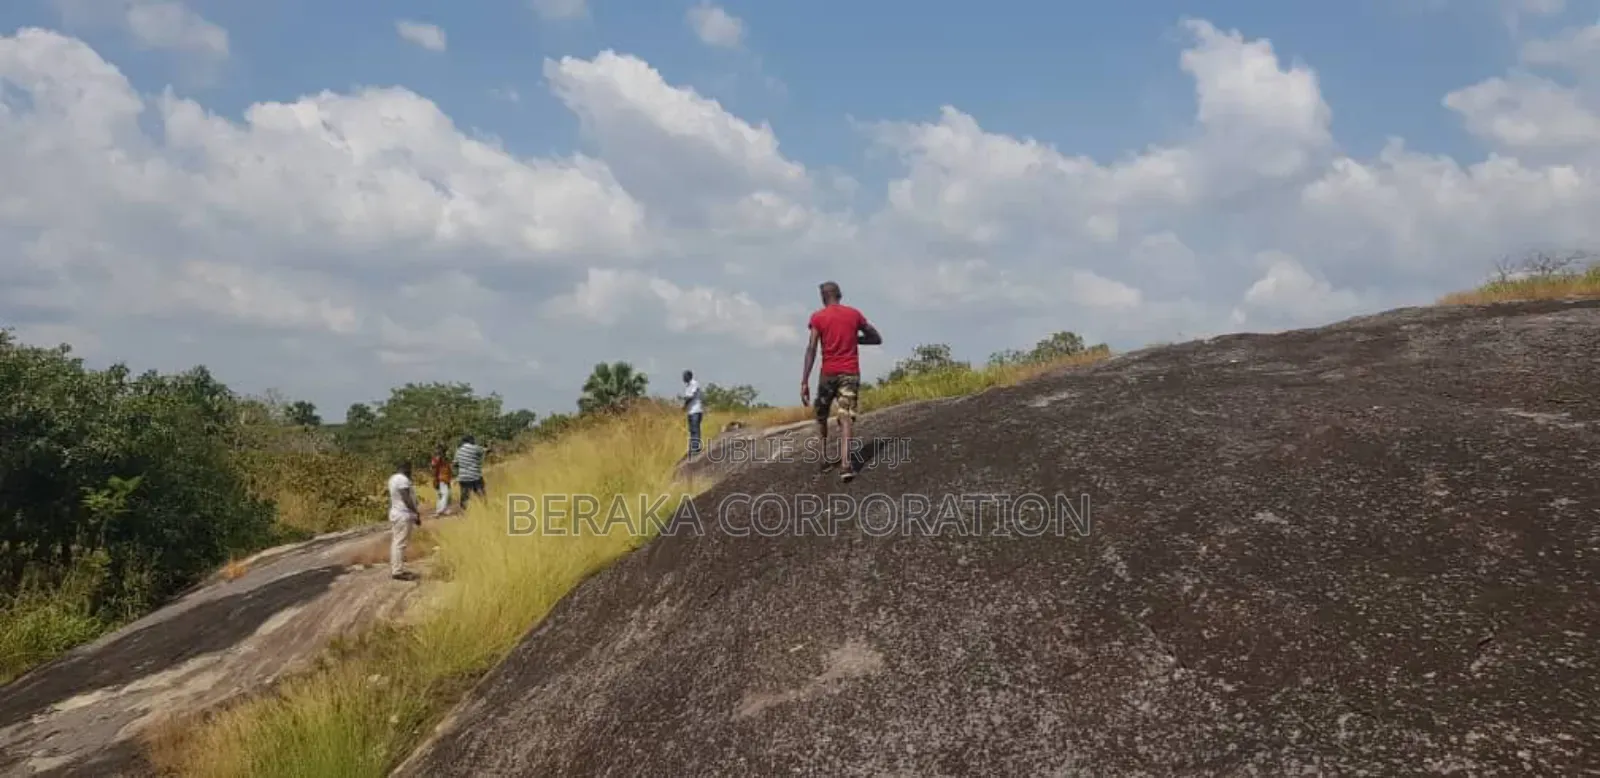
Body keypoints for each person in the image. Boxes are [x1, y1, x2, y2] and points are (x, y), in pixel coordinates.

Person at [801, 280, 882, 481]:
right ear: (840, 294)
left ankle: (824, 458)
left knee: (821, 414)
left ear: (823, 297)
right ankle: (846, 465)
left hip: (828, 374)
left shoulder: (818, 317)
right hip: (850, 373)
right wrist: (856, 339)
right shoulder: (854, 314)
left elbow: (811, 347)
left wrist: (804, 380)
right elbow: (876, 338)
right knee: (845, 416)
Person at [387, 461, 422, 580]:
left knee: (396, 542)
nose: (410, 472)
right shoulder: (402, 479)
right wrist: (416, 513)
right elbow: (406, 498)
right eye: (409, 469)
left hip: (396, 513)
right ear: (406, 468)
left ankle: (397, 568)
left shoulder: (393, 478)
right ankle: (397, 572)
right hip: (403, 515)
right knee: (400, 543)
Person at [454, 434, 488, 510]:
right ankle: (485, 508)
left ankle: (464, 511)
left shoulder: (458, 450)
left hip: (463, 477)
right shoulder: (475, 448)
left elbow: (455, 463)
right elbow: (484, 450)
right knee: (481, 494)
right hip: (475, 476)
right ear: (471, 440)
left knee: (465, 496)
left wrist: (463, 464)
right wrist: (486, 447)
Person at [682, 369, 704, 456]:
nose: (683, 378)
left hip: (696, 410)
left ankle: (696, 447)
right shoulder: (687, 386)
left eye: (684, 376)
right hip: (690, 411)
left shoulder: (694, 384)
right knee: (691, 430)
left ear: (689, 376)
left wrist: (684, 405)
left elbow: (691, 397)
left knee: (695, 429)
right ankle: (693, 447)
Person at [429, 444, 453, 516]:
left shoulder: (443, 458)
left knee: (443, 495)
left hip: (444, 478)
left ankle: (443, 510)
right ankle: (440, 510)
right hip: (441, 479)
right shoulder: (437, 458)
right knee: (445, 494)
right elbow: (433, 467)